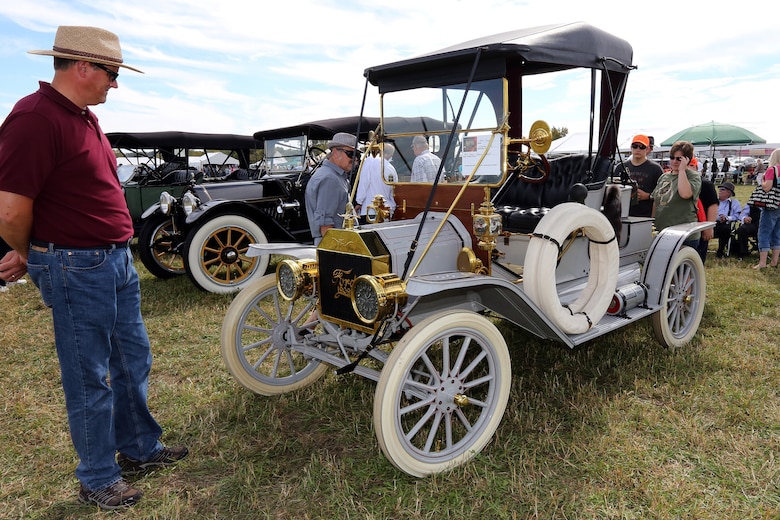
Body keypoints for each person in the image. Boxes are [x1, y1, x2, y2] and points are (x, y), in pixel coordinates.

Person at [0, 26, 188, 510]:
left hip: (112, 259)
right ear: (83, 67)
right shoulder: (35, 118)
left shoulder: (80, 116)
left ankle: (139, 447)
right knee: (90, 376)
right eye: (112, 73)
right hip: (76, 264)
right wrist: (29, 252)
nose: (116, 83)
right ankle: (98, 476)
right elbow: (10, 210)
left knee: (132, 359)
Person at [305, 132, 358, 245]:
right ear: (335, 152)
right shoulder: (330, 179)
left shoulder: (335, 176)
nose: (355, 159)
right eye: (350, 154)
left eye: (357, 155)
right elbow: (325, 226)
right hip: (336, 245)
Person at [652, 141, 702, 248]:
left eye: (679, 159)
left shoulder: (693, 176)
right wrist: (651, 224)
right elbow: (656, 202)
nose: (674, 161)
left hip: (684, 236)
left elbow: (685, 194)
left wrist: (682, 171)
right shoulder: (664, 177)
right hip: (662, 232)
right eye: (672, 157)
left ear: (687, 159)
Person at [614, 134, 663, 218]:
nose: (638, 149)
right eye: (635, 146)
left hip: (645, 215)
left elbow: (663, 193)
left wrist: (648, 196)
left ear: (647, 149)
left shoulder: (655, 169)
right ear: (631, 148)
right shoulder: (620, 167)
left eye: (642, 147)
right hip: (623, 213)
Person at [355, 142, 397, 222]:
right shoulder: (392, 169)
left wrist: (359, 202)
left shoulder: (370, 161)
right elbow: (394, 193)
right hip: (386, 211)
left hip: (369, 211)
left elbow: (364, 184)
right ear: (390, 155)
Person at [753, 148, 780, 269]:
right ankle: (774, 262)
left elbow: (767, 187)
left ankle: (762, 263)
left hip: (771, 204)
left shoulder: (772, 170)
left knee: (764, 232)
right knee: (777, 233)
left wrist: (763, 181)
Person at [693, 158, 718, 263]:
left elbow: (713, 205)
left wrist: (709, 227)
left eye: (691, 165)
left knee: (697, 259)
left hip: (701, 225)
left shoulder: (706, 184)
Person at [713, 181, 742, 258]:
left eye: (722, 189)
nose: (720, 191)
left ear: (729, 193)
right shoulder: (713, 201)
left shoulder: (734, 203)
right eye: (719, 189)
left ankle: (720, 251)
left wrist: (727, 218)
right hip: (712, 223)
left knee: (725, 229)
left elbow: (737, 216)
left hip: (724, 224)